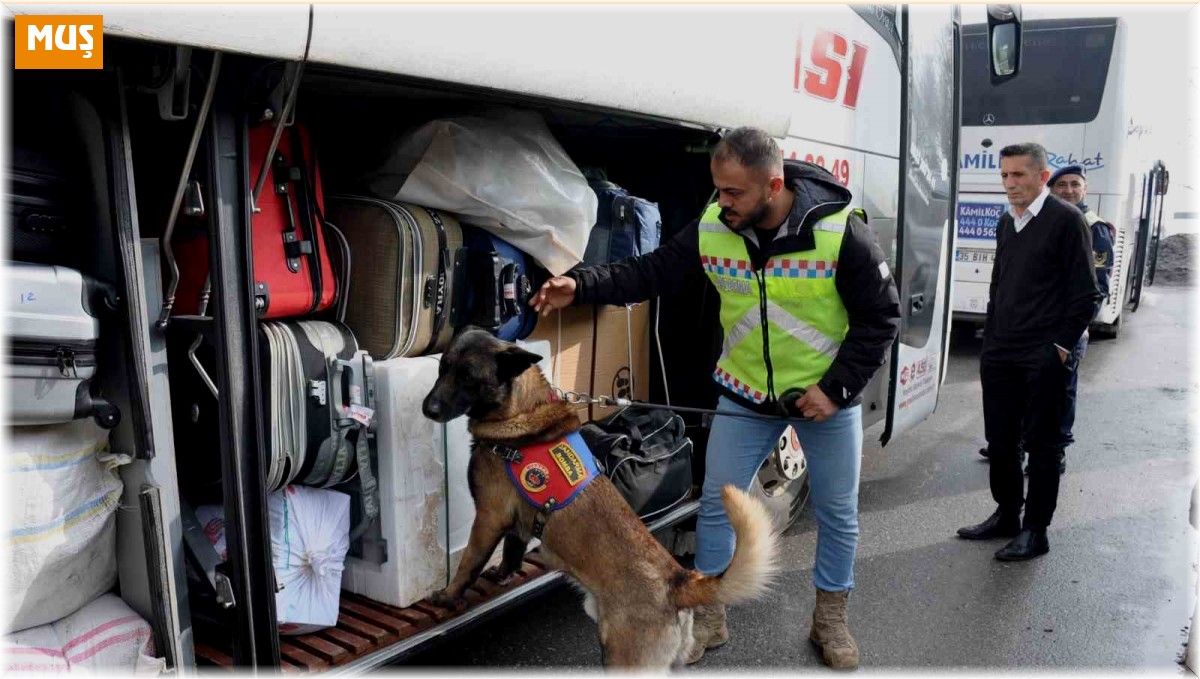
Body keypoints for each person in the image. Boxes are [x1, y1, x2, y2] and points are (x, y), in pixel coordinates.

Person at [530, 127, 899, 669]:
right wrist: (580, 286)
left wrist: (836, 389)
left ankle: (830, 619)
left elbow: (881, 317)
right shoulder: (714, 226)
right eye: (718, 190)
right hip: (744, 396)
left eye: (734, 193)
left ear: (774, 186)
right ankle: (709, 618)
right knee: (716, 508)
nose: (722, 203)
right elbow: (650, 272)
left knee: (839, 514)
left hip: (824, 400)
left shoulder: (842, 234)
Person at [956, 143, 1101, 561]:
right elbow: (999, 283)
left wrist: (1057, 347)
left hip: (1043, 354)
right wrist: (991, 338)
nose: (1009, 183)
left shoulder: (1067, 221)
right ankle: (1007, 513)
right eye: (1004, 175)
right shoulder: (1007, 222)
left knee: (1043, 445)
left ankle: (1036, 531)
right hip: (1001, 350)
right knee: (1000, 441)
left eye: (1018, 175)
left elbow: (1086, 295)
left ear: (1042, 177)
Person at [1048, 164, 1113, 455]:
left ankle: (1057, 450)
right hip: (1036, 323)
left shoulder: (1093, 226)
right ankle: (1022, 443)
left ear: (1085, 189)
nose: (1069, 190)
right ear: (1051, 189)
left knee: (1061, 393)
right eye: (1062, 184)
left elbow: (1097, 288)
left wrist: (1071, 334)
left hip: (1067, 328)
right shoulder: (1043, 220)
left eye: (1075, 184)